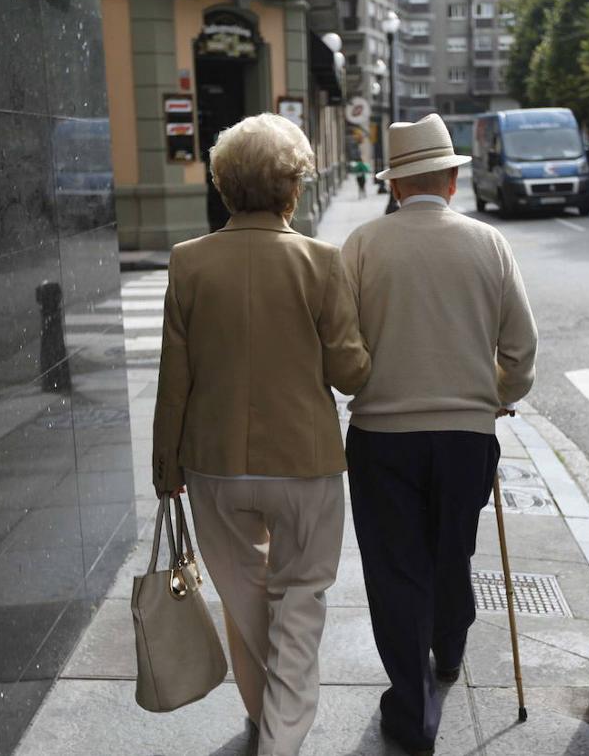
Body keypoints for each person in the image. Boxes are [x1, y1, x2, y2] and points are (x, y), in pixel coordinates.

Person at [152, 113, 371, 756]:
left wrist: (167, 470)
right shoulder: (321, 263)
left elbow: (175, 380)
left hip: (214, 464)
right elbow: (349, 370)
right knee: (300, 601)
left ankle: (264, 717)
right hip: (304, 461)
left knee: (245, 601)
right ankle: (281, 739)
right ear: (293, 189)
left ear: (223, 188)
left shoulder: (188, 263)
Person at [341, 113, 538, 755]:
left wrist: (372, 383)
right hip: (466, 436)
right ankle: (449, 648)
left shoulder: (363, 245)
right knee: (452, 549)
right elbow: (521, 351)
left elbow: (341, 348)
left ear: (395, 186)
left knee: (397, 570)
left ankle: (415, 711)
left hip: (382, 435)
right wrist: (493, 399)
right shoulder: (490, 244)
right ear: (452, 179)